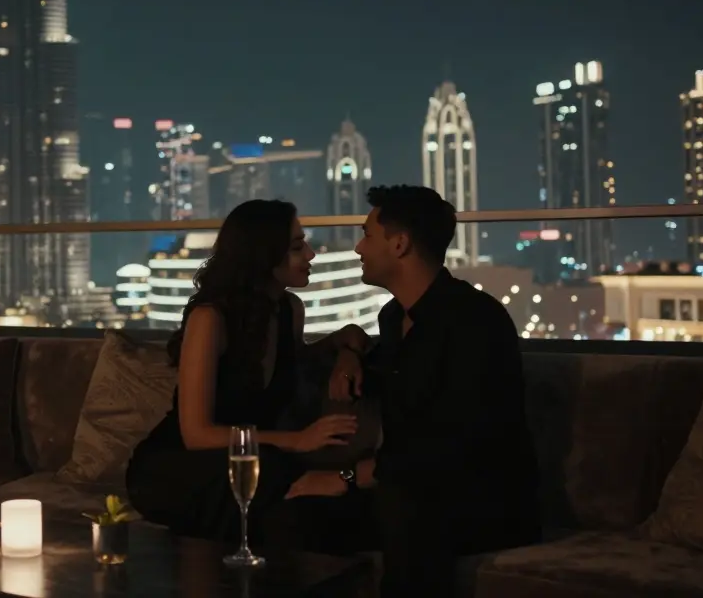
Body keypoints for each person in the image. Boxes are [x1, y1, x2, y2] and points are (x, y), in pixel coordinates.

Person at [125, 199, 374, 550]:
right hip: (182, 466)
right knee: (280, 485)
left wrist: (347, 350)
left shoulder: (289, 310)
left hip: (252, 462)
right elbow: (197, 434)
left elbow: (304, 359)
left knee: (310, 512)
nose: (312, 255)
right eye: (296, 246)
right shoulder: (211, 318)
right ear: (263, 254)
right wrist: (298, 439)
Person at [335, 185, 540, 597]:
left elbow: (459, 443)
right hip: (405, 489)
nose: (358, 247)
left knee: (407, 506)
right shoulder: (394, 318)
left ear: (399, 244)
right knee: (291, 512)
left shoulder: (476, 322)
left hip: (478, 502)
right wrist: (348, 350)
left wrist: (351, 476)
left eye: (367, 234)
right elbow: (390, 379)